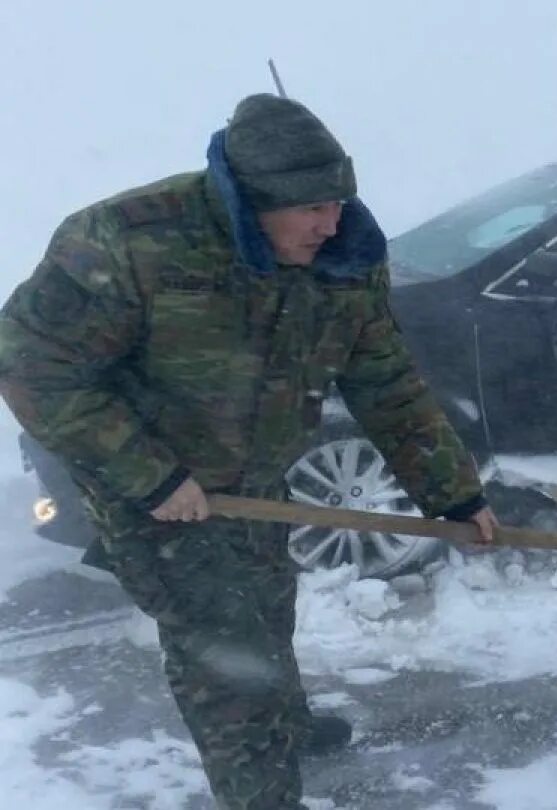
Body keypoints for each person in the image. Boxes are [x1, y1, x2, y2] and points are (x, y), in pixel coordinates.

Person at [0, 94, 498, 808]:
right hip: (152, 492)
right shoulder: (127, 241)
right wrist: (151, 475)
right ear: (255, 201)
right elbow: (28, 364)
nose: (330, 224)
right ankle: (260, 790)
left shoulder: (344, 260)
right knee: (226, 660)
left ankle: (285, 727)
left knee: (266, 607)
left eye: (337, 201)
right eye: (310, 208)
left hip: (254, 481)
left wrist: (453, 493)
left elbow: (384, 377)